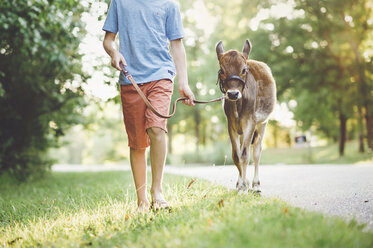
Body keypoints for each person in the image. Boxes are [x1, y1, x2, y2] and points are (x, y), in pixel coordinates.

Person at [102, 0, 195, 211]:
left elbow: (177, 45)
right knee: (137, 144)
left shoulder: (169, 4)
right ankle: (142, 200)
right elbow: (108, 40)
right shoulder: (120, 2)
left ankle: (157, 191)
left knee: (156, 128)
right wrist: (114, 53)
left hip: (161, 75)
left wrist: (184, 83)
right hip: (130, 78)